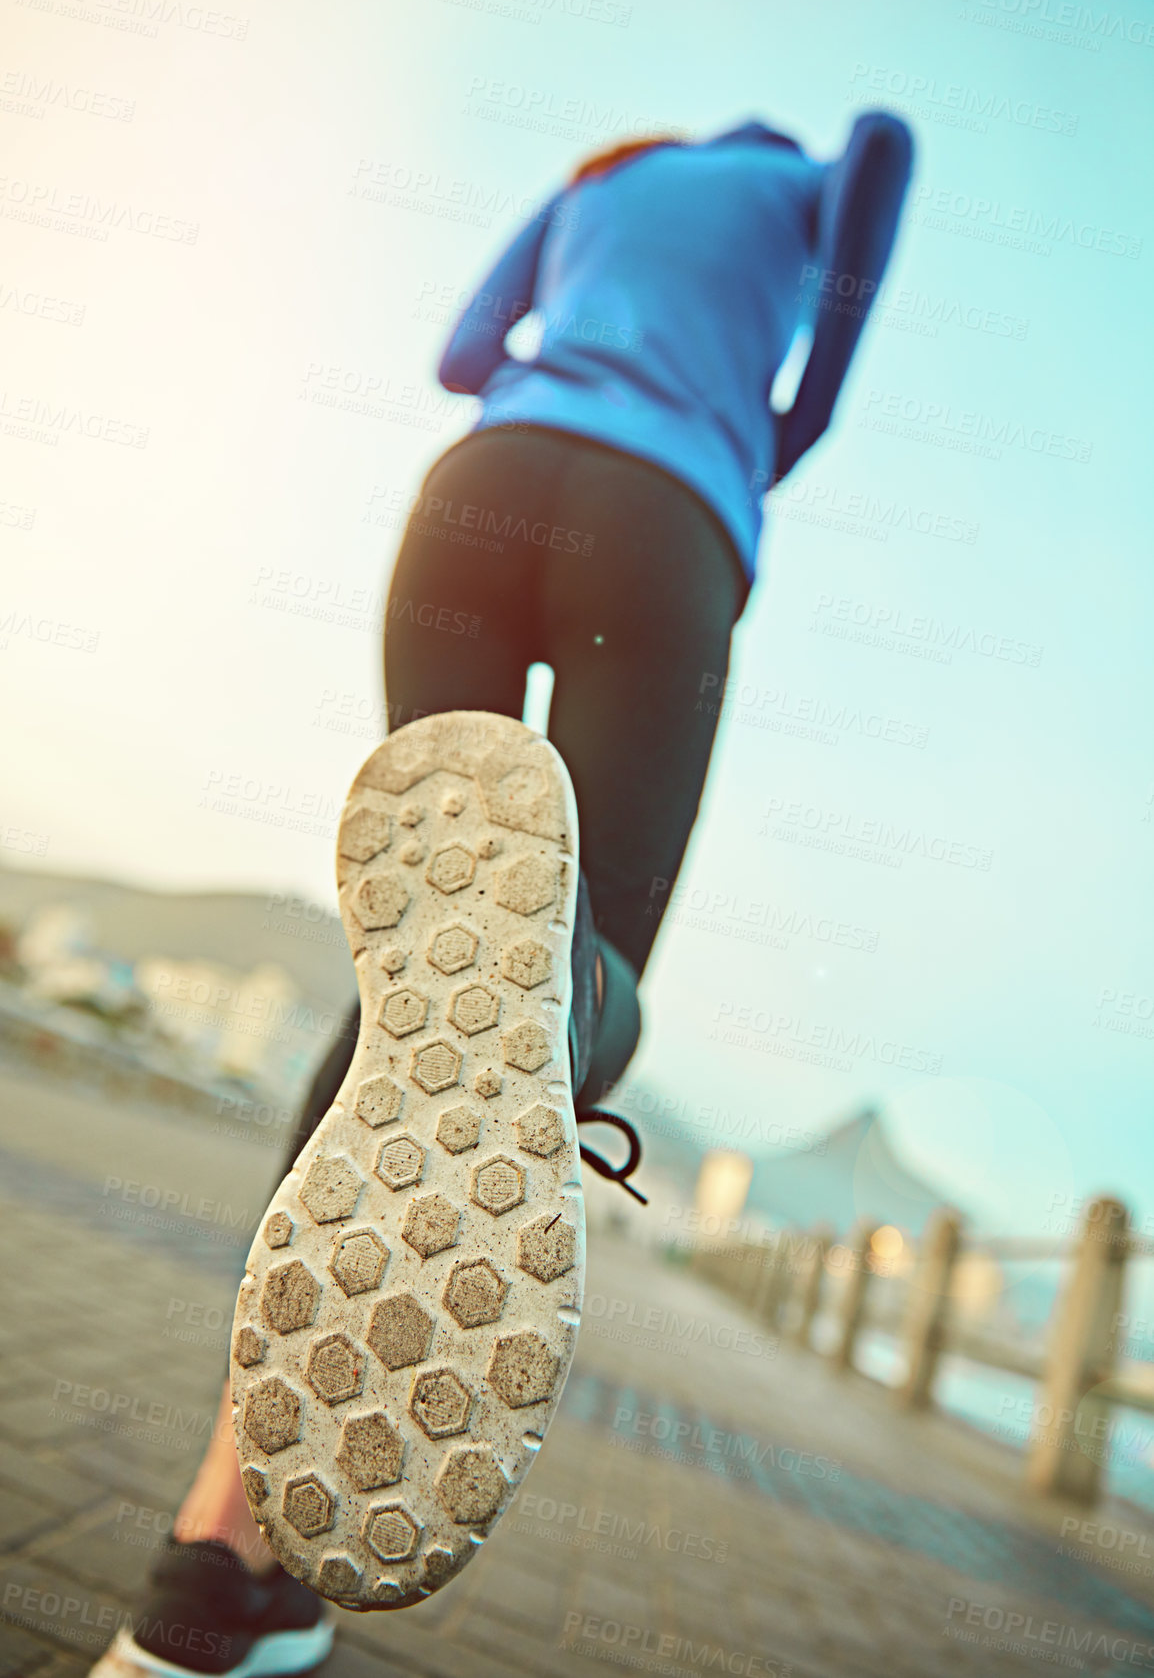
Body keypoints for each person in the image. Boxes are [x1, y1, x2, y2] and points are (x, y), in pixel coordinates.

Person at [91, 107, 914, 1676]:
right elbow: (883, 146)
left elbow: (465, 351)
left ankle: (219, 1555)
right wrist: (787, 416)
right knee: (547, 980)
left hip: (477, 494)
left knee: (425, 972)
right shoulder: (800, 179)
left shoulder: (593, 178)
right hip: (658, 527)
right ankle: (564, 1002)